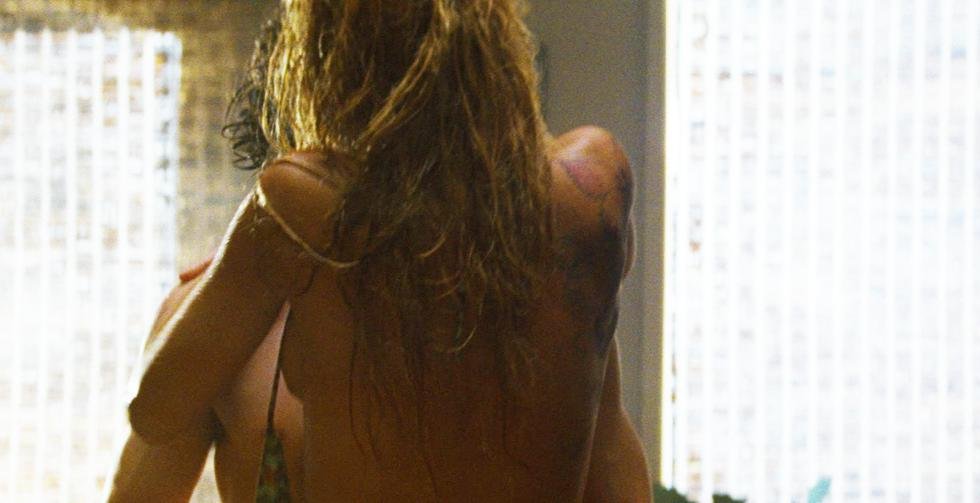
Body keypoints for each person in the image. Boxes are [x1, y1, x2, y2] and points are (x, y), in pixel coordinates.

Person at [108, 1, 650, 501]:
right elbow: (611, 466)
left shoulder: (301, 206)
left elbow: (154, 412)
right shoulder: (589, 194)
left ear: (334, 65)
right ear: (500, 46)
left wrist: (245, 265)